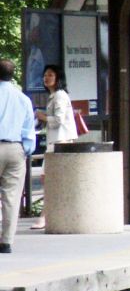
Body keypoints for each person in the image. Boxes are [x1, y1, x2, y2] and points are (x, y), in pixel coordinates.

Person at [31, 64, 77, 229]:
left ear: (58, 78)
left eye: (51, 75)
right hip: (55, 142)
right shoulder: (54, 96)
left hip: (60, 143)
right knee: (49, 179)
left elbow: (58, 120)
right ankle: (48, 215)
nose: (46, 78)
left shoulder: (59, 96)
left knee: (49, 179)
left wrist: (42, 116)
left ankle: (44, 216)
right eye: (45, 75)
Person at [0, 59, 35, 253]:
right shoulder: (23, 98)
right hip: (15, 149)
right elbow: (28, 129)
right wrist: (26, 149)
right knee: (11, 197)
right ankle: (6, 241)